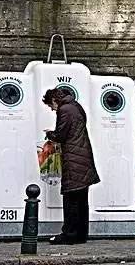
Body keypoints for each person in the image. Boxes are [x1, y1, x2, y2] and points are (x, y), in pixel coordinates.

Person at [43, 88, 100, 245]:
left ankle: (68, 234)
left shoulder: (64, 109)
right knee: (81, 199)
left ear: (54, 100)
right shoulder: (76, 106)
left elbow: (61, 135)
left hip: (73, 157)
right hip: (82, 155)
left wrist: (49, 134)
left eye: (51, 106)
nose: (52, 109)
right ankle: (81, 234)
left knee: (71, 198)